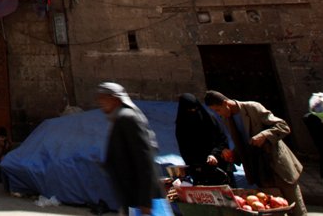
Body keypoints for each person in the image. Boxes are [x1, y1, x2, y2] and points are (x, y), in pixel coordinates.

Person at [204, 90, 306, 216]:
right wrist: (233, 154)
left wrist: (264, 135)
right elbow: (244, 143)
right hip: (260, 170)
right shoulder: (227, 119)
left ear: (226, 103)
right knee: (271, 208)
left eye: (218, 110)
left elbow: (283, 126)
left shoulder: (252, 108)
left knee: (295, 208)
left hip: (278, 165)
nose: (218, 113)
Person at [97, 82, 163, 216]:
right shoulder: (119, 118)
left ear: (114, 98)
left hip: (141, 199)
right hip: (132, 197)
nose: (100, 102)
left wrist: (145, 202)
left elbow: (145, 160)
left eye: (103, 98)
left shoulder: (127, 118)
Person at [175, 93, 234, 186]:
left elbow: (222, 140)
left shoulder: (209, 120)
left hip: (219, 166)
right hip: (199, 171)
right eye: (189, 110)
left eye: (195, 109)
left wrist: (214, 154)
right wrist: (193, 166)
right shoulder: (181, 126)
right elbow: (184, 149)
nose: (193, 112)